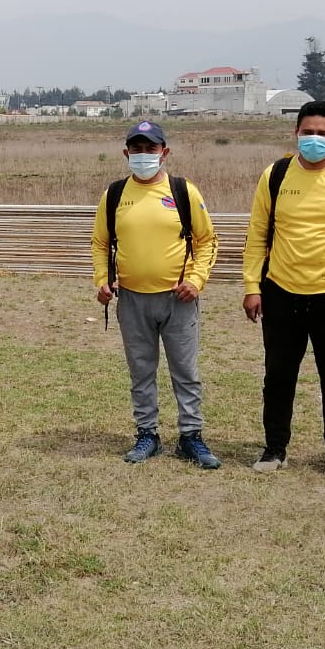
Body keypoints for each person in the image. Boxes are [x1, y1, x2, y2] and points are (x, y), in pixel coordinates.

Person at [242, 100, 325, 483]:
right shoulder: (276, 175)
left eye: (323, 133)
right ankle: (274, 448)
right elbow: (257, 236)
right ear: (295, 133)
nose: (314, 139)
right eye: (307, 132)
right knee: (278, 375)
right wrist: (252, 286)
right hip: (281, 292)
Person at [92, 120, 222, 468]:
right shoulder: (115, 195)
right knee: (141, 371)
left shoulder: (184, 191)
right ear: (126, 153)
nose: (144, 155)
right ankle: (147, 434)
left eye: (151, 148)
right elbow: (101, 243)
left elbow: (208, 240)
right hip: (132, 299)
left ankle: (191, 436)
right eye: (137, 149)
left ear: (164, 152)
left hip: (178, 299)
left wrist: (195, 280)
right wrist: (102, 280)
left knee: (185, 371)